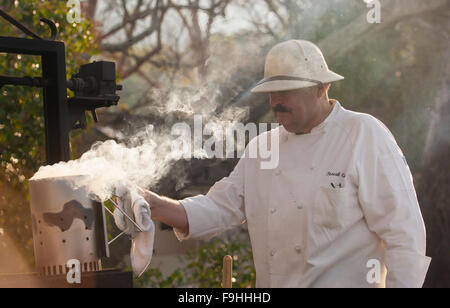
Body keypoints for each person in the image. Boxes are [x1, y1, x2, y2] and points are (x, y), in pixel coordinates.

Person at [140, 40, 431, 287]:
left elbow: (404, 234)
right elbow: (220, 207)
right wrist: (155, 206)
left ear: (321, 87)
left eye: (287, 92)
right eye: (271, 93)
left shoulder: (363, 134)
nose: (275, 102)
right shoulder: (263, 148)